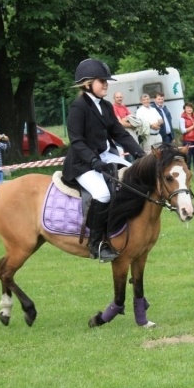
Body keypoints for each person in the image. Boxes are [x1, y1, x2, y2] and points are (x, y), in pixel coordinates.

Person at [62, 58, 145, 262]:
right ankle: (96, 243)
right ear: (87, 84)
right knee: (103, 194)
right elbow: (76, 141)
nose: (106, 84)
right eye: (102, 81)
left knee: (135, 178)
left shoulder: (106, 106)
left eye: (106, 81)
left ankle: (125, 230)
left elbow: (120, 134)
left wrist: (141, 154)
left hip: (105, 156)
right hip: (82, 163)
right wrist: (93, 161)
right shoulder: (78, 107)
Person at [180, 103, 194, 180]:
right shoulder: (182, 118)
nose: (189, 109)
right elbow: (183, 131)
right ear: (185, 109)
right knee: (188, 159)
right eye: (187, 108)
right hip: (187, 141)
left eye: (190, 108)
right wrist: (193, 126)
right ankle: (187, 176)